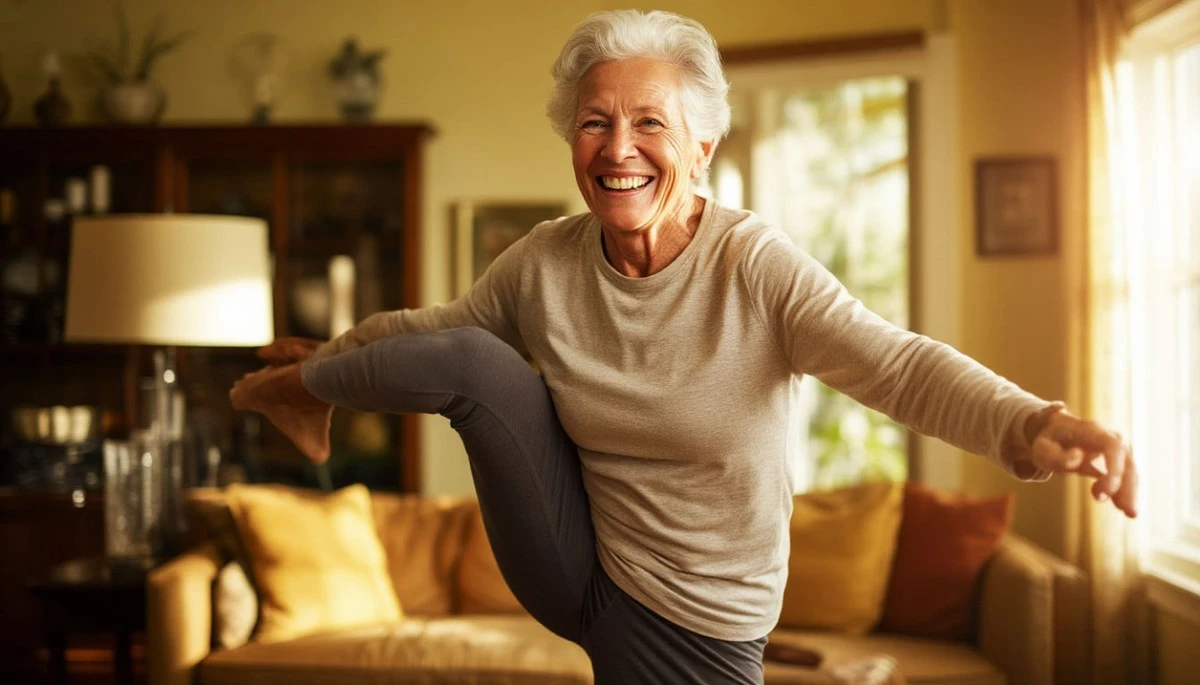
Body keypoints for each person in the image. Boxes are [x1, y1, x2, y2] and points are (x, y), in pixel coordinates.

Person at [231, 9, 1137, 685]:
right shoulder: (545, 263)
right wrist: (332, 357)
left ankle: (311, 389)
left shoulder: (753, 266)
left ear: (701, 145)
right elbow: (431, 335)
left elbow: (894, 363)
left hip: (706, 621)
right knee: (474, 357)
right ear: (571, 139)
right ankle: (307, 392)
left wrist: (1034, 422)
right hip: (578, 558)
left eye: (649, 122)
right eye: (594, 122)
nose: (617, 147)